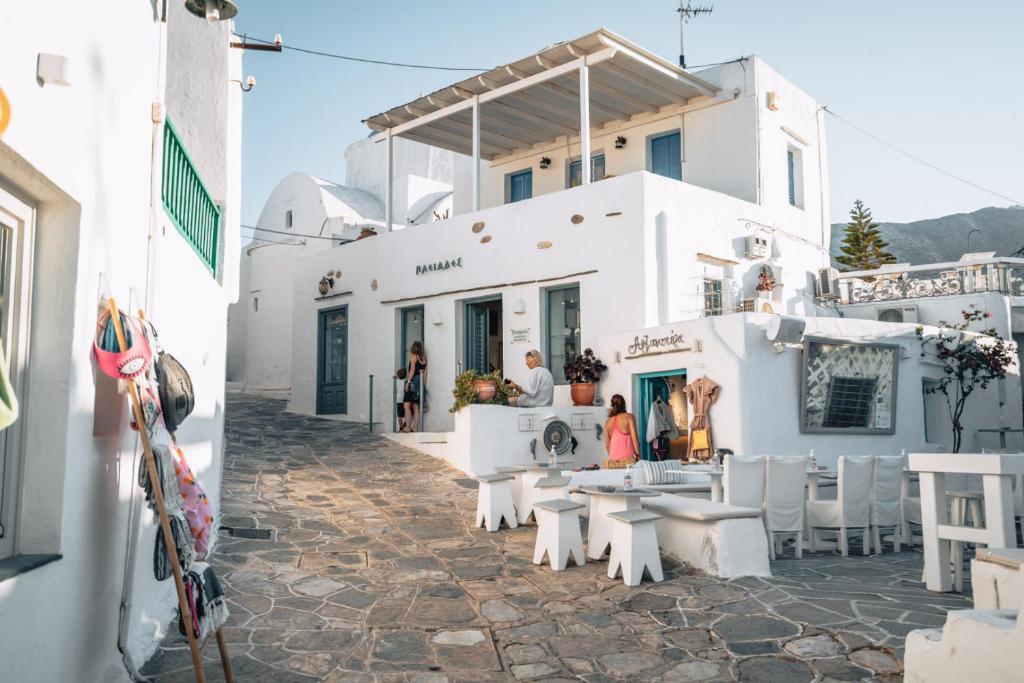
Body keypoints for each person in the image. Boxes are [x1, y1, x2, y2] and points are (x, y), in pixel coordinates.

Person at [604, 394, 640, 464]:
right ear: (624, 404)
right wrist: (638, 455)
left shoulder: (607, 422)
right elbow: (635, 439)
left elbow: (608, 445)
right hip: (628, 459)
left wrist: (614, 458)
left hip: (614, 460)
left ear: (612, 405)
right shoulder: (629, 417)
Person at [403, 341, 427, 432]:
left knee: (406, 405)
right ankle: (415, 428)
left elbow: (412, 370)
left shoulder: (413, 356)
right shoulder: (424, 358)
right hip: (420, 383)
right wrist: (424, 387)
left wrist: (408, 382)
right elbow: (425, 374)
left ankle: (407, 428)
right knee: (416, 406)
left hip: (413, 382)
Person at [394, 367, 407, 432]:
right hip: (404, 399)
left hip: (398, 400)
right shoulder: (406, 381)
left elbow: (395, 390)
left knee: (399, 415)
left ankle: (400, 427)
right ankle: (405, 423)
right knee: (406, 412)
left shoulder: (396, 381)